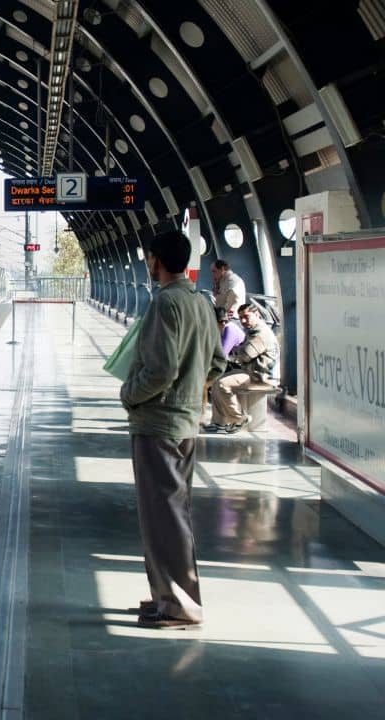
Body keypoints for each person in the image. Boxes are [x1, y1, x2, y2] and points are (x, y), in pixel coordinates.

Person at [121, 230, 227, 628]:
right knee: (171, 512)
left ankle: (179, 606)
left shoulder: (165, 303)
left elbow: (161, 370)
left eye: (149, 258)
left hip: (158, 423)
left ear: (157, 260)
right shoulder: (200, 302)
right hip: (184, 422)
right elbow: (217, 363)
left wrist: (129, 394)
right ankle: (165, 597)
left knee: (163, 517)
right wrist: (191, 391)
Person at [205, 303, 279, 433]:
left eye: (246, 316)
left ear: (257, 315)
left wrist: (236, 351)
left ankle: (239, 418)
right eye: (241, 318)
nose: (243, 321)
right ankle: (219, 422)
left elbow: (245, 355)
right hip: (252, 371)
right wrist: (238, 351)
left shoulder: (262, 333)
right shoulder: (252, 331)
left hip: (261, 376)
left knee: (222, 384)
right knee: (216, 380)